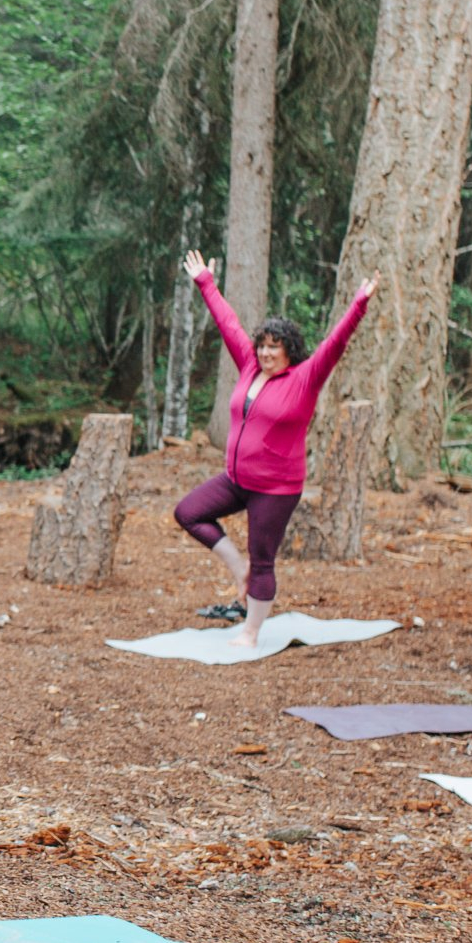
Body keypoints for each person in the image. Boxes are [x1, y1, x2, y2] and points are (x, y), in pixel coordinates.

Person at [174, 250, 376, 647]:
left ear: (290, 350)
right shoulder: (249, 366)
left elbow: (335, 344)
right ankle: (238, 567)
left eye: (275, 347)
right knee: (189, 512)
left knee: (264, 558)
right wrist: (205, 283)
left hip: (276, 488)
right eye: (262, 345)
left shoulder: (305, 379)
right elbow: (228, 324)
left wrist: (358, 305)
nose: (266, 352)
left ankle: (251, 631)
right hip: (237, 479)